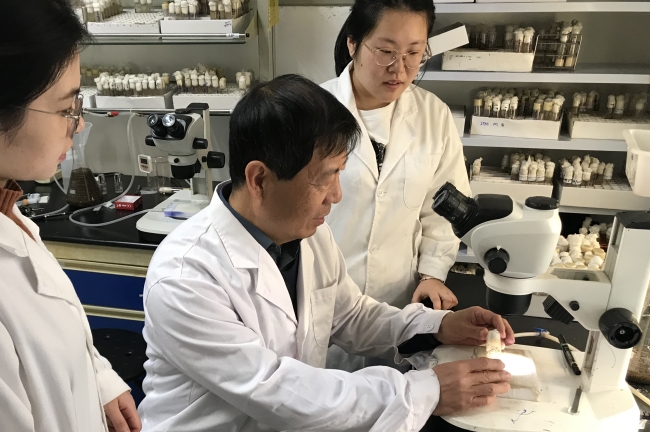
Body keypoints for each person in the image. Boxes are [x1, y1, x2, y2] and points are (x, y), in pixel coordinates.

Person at [138, 74, 514, 432]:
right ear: (259, 179)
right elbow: (274, 389)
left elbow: (350, 315)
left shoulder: (307, 236)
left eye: (340, 173)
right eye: (325, 177)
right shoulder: (186, 275)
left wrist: (436, 327)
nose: (336, 195)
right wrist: (425, 391)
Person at [0, 1, 141, 432]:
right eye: (66, 109)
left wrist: (96, 378)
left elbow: (52, 333)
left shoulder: (9, 207)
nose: (78, 126)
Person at [322, 0, 471, 372]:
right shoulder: (313, 111)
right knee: (321, 396)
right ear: (353, 43)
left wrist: (432, 274)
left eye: (413, 53)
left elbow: (444, 208)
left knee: (397, 397)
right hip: (321, 298)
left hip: (400, 300)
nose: (400, 69)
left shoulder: (433, 115)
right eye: (385, 52)